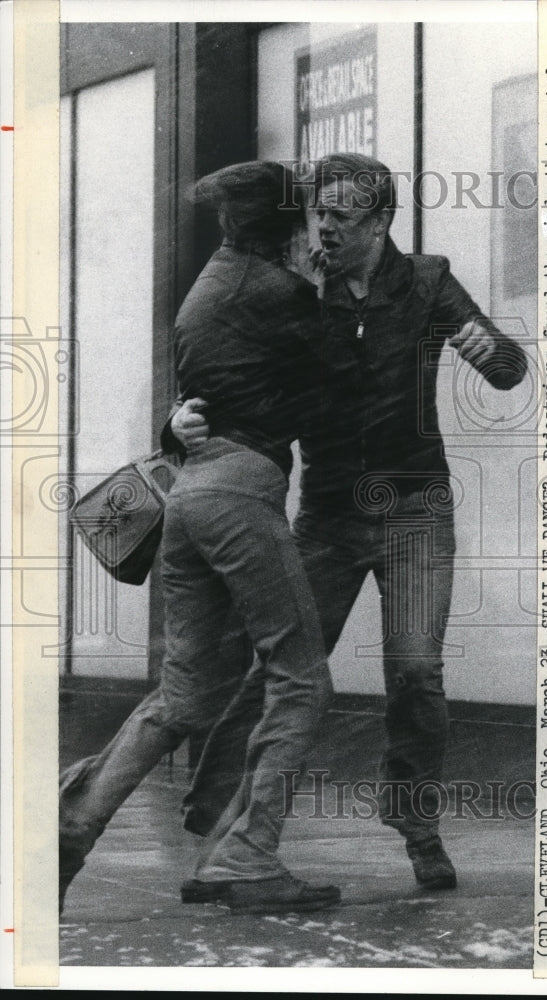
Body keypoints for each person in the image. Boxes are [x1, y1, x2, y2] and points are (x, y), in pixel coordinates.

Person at [175, 153, 529, 890]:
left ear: (381, 220)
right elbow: (219, 374)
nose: (323, 227)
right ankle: (216, 809)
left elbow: (508, 369)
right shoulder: (298, 290)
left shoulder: (428, 281)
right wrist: (175, 424)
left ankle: (417, 826)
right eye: (319, 212)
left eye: (340, 214)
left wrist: (487, 348)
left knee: (417, 674)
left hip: (415, 512)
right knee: (280, 664)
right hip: (328, 514)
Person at [60, 160, 340, 915]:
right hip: (242, 492)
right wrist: (326, 295)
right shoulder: (280, 292)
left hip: (190, 497)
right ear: (286, 228)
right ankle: (248, 858)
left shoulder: (207, 288)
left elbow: (204, 396)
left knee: (182, 694)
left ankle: (71, 825)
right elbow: (337, 384)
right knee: (303, 679)